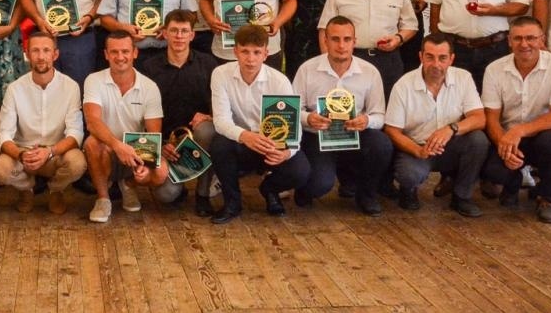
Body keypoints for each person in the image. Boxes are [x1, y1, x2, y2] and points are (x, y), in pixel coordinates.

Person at [205, 23, 311, 222]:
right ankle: (232, 204)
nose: (250, 59)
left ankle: (269, 190)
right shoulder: (220, 74)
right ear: (235, 51)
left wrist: (287, 152)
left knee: (300, 171)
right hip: (241, 142)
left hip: (271, 144)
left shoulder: (279, 81)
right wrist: (246, 136)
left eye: (256, 52)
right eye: (245, 51)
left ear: (266, 53)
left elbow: (293, 126)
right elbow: (220, 121)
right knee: (219, 145)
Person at [290, 17, 392, 216]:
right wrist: (308, 118)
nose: (341, 45)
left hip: (354, 134)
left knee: (382, 145)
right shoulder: (307, 69)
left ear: (355, 41)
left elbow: (379, 114)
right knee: (319, 185)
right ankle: (307, 188)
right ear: (325, 41)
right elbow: (294, 110)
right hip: (317, 137)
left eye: (347, 39)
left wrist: (367, 121)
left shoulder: (370, 72)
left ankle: (366, 195)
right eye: (335, 39)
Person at [384, 33, 489, 217]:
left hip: (451, 144)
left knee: (478, 140)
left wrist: (451, 129)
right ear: (420, 57)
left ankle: (461, 197)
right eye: (429, 57)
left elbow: (479, 118)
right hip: (416, 147)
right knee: (409, 175)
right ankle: (408, 191)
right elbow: (392, 130)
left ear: (451, 59)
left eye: (442, 58)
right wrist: (417, 151)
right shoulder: (403, 85)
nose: (436, 64)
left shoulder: (463, 78)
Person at [479, 16, 551, 223]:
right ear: (509, 41)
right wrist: (504, 144)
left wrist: (519, 131)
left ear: (541, 40)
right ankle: (512, 183)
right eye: (518, 39)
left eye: (531, 38)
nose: (524, 44)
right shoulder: (494, 69)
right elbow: (491, 118)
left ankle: (547, 197)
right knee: (491, 168)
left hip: (541, 135)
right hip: (506, 137)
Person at [0, 33, 87, 214]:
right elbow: (3, 134)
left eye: (46, 50)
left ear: (55, 54)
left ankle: (55, 190)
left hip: (55, 152)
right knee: (1, 169)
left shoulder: (70, 86)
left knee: (77, 163)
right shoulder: (15, 88)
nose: (41, 56)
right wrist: (21, 155)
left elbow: (76, 133)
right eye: (35, 50)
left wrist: (49, 152)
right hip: (23, 153)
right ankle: (26, 189)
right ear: (26, 53)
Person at [137, 10, 216, 213]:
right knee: (166, 195)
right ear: (164, 33)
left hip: (198, 137)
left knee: (208, 130)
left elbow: (221, 102)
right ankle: (179, 188)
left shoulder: (208, 64)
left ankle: (203, 193)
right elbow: (140, 114)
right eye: (174, 31)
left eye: (184, 31)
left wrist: (211, 115)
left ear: (192, 35)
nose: (179, 36)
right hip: (167, 143)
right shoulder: (148, 67)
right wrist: (159, 146)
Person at [81, 32, 165, 223]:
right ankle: (103, 198)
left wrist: (145, 164)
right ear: (106, 54)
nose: (120, 57)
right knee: (92, 143)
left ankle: (129, 185)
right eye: (114, 52)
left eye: (125, 51)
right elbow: (92, 122)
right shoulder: (93, 80)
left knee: (160, 173)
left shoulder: (149, 87)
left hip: (135, 150)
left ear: (135, 53)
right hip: (108, 147)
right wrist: (117, 146)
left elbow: (154, 134)